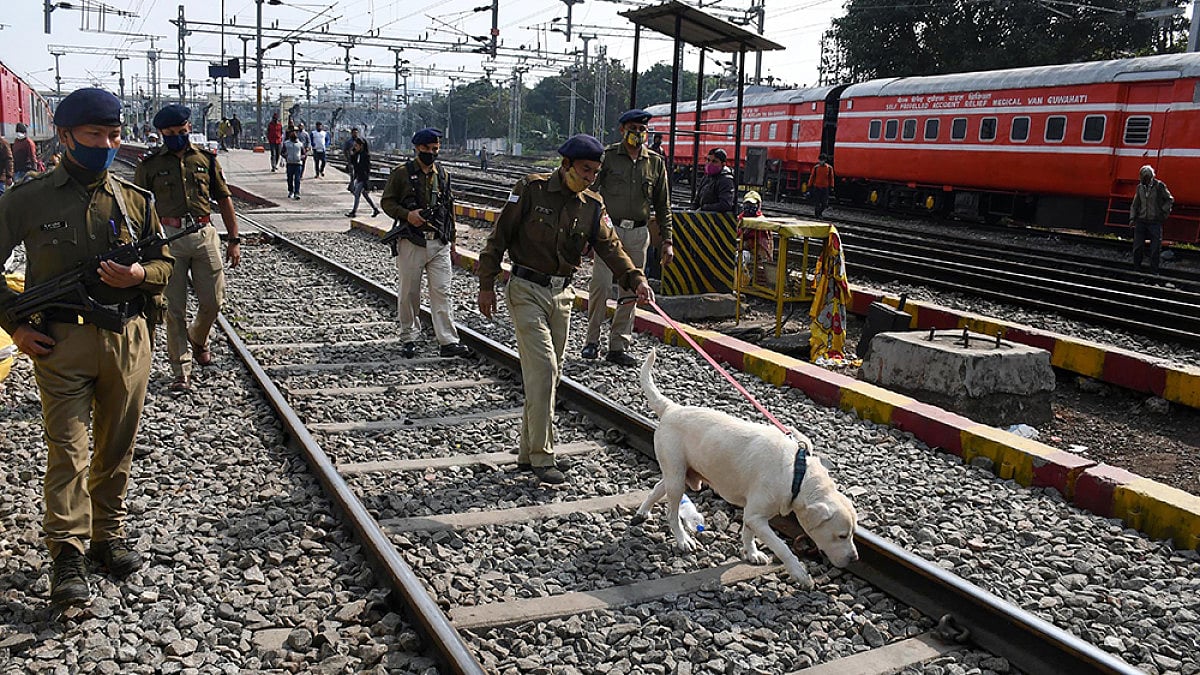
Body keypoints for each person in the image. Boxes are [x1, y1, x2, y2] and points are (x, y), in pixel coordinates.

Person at [0, 88, 174, 607]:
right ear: (67, 134)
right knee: (69, 449)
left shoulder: (135, 200)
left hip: (128, 339)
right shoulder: (28, 198)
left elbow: (164, 265)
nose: (107, 144)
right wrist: (13, 327)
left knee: (116, 446)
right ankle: (67, 552)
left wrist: (140, 273)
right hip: (60, 342)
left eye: (114, 134)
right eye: (96, 135)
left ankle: (105, 535)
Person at [477, 134, 654, 484]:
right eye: (585, 170)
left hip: (562, 296)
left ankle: (528, 452)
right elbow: (498, 236)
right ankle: (544, 457)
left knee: (549, 376)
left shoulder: (592, 205)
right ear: (567, 164)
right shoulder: (531, 189)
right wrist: (486, 284)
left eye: (594, 173)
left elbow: (610, 247)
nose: (589, 178)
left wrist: (635, 279)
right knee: (544, 369)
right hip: (525, 288)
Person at [135, 104, 242, 393]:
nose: (177, 137)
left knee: (214, 302)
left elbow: (224, 197)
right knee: (174, 309)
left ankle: (198, 338)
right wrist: (145, 245)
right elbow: (140, 207)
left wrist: (233, 239)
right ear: (160, 133)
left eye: (181, 132)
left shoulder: (205, 159)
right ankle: (181, 368)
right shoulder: (150, 165)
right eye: (170, 133)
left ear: (188, 128)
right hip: (168, 238)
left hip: (204, 233)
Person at [582, 109, 674, 367]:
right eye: (632, 128)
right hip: (608, 232)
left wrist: (667, 241)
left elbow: (663, 205)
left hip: (638, 233)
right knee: (600, 286)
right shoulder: (608, 158)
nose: (638, 133)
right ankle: (592, 342)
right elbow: (590, 194)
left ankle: (618, 345)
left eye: (642, 129)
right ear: (622, 130)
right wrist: (588, 232)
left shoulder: (655, 163)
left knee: (631, 290)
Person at [380, 128, 470, 359]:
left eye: (436, 148)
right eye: (428, 148)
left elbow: (449, 209)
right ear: (417, 148)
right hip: (412, 242)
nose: (433, 152)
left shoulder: (443, 175)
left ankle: (448, 340)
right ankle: (409, 336)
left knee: (442, 292)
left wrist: (453, 241)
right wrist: (407, 215)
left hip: (438, 242)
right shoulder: (401, 174)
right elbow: (387, 202)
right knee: (409, 292)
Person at [1129, 165, 1173, 275]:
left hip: (1154, 221)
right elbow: (1135, 204)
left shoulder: (1159, 186)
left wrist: (1163, 212)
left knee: (1155, 248)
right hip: (1141, 221)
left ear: (1151, 177)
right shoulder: (1139, 188)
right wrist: (1132, 218)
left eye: (1146, 177)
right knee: (1137, 247)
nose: (1145, 180)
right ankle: (1136, 269)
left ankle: (1154, 271)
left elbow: (1169, 199)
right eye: (1143, 178)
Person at [345, 137, 380, 218]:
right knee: (365, 195)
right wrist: (352, 153)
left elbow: (367, 169)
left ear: (361, 146)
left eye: (356, 146)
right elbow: (353, 163)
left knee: (357, 193)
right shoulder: (357, 154)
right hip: (358, 177)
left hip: (363, 178)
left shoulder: (365, 156)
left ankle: (354, 212)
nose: (355, 147)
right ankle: (375, 209)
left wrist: (365, 181)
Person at [693, 147, 735, 212]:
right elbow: (697, 200)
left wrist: (704, 208)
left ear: (723, 164)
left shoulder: (726, 180)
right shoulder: (706, 177)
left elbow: (725, 205)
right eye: (708, 160)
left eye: (714, 161)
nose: (710, 164)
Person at [282, 127, 307, 200]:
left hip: (298, 164)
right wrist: (286, 157)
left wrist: (301, 157)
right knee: (289, 179)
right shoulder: (286, 144)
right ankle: (290, 191)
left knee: (297, 179)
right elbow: (282, 152)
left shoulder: (300, 144)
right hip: (289, 163)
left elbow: (304, 154)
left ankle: (297, 193)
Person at [808, 154, 834, 218]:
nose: (821, 162)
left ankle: (818, 213)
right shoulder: (816, 167)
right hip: (817, 187)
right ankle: (818, 214)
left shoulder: (829, 168)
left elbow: (831, 178)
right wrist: (809, 185)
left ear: (825, 160)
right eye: (820, 160)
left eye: (822, 160)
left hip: (825, 187)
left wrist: (832, 186)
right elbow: (812, 177)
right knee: (817, 202)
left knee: (824, 203)